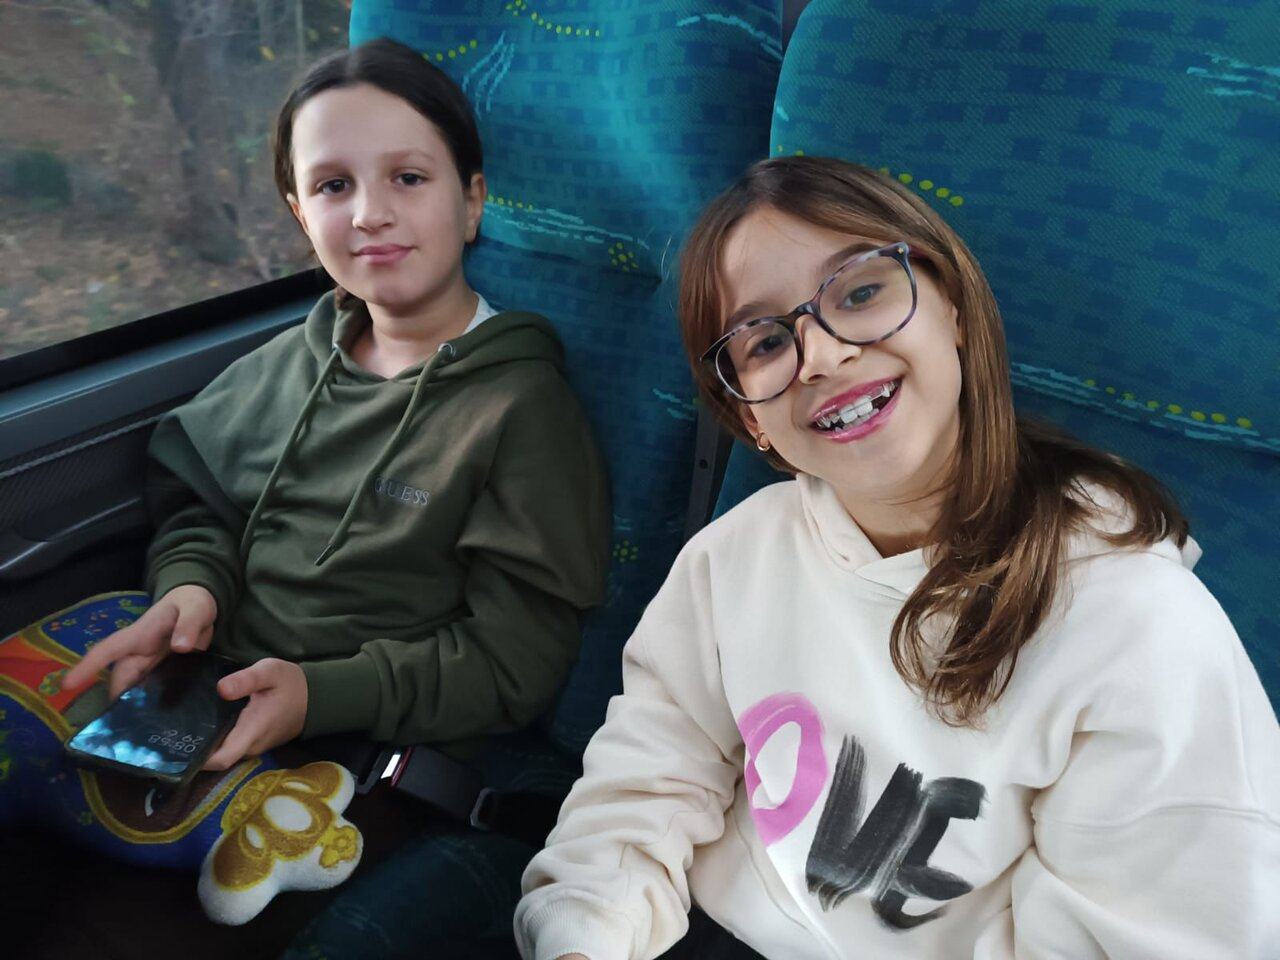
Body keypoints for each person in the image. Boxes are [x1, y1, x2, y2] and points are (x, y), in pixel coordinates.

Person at [513, 157, 1280, 959]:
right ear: (751, 422)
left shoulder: (1136, 624)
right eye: (766, 341)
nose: (821, 355)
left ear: (953, 308)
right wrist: (584, 937)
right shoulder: (732, 559)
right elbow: (648, 781)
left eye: (859, 294)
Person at [63, 37, 610, 771]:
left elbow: (516, 661)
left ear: (472, 202)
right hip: (205, 689)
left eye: (408, 178)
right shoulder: (284, 366)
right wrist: (191, 588)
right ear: (301, 216)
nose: (370, 214)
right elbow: (204, 512)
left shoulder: (521, 410)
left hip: (370, 747)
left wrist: (320, 696)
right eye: (333, 186)